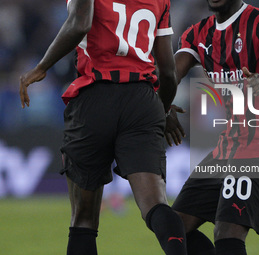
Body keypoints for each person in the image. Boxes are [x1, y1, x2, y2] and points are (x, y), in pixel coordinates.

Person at [19, 0, 187, 254]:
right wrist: (161, 109)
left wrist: (42, 67)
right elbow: (167, 72)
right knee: (155, 205)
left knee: (84, 218)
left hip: (94, 97)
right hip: (142, 100)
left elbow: (79, 24)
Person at [166, 0, 259, 254]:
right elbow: (169, 75)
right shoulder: (196, 35)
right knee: (174, 227)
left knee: (227, 231)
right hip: (229, 146)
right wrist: (163, 104)